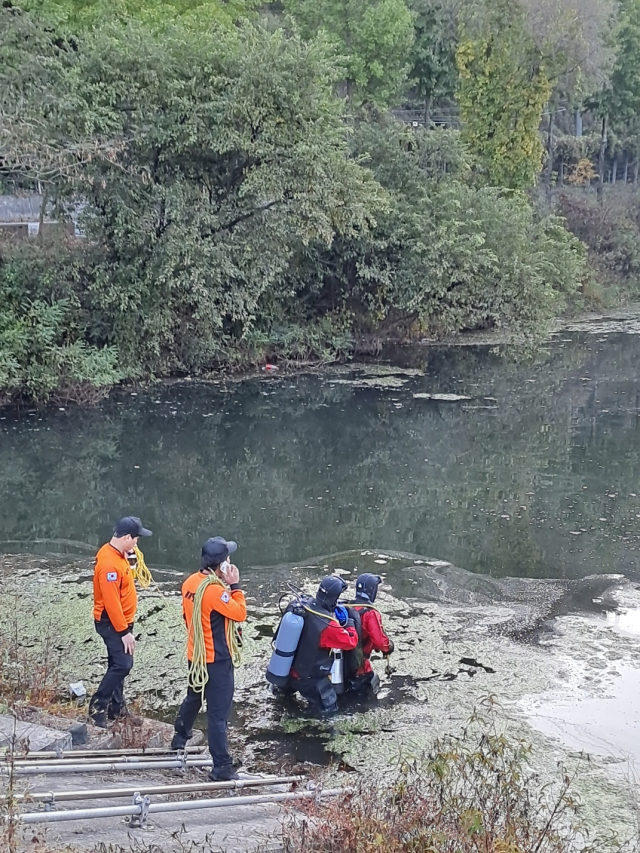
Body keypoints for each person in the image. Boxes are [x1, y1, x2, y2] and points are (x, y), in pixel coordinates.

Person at [171, 536, 246, 782]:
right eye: (228, 559)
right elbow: (239, 613)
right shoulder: (215, 591)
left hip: (196, 656)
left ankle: (180, 738)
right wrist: (235, 586)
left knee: (193, 697)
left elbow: (187, 617)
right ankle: (222, 767)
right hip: (216, 660)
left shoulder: (190, 582)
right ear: (221, 566)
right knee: (217, 715)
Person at [89, 515, 153, 728]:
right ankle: (97, 707)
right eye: (136, 538)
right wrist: (124, 632)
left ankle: (117, 709)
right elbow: (111, 602)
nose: (137, 542)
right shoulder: (109, 565)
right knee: (123, 664)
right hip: (112, 622)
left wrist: (130, 558)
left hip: (122, 621)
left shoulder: (117, 553)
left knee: (116, 663)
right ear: (126, 537)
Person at [286, 576, 359, 716]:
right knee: (329, 708)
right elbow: (351, 642)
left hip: (288, 670)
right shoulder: (328, 625)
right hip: (310, 677)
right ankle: (317, 734)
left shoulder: (301, 605)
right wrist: (350, 624)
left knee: (284, 701)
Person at [343, 573, 394, 693]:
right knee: (369, 693)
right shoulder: (370, 613)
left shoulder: (347, 607)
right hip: (360, 667)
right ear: (372, 591)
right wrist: (388, 647)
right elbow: (380, 641)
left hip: (343, 662)